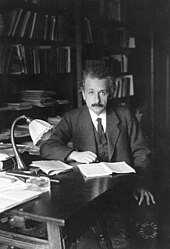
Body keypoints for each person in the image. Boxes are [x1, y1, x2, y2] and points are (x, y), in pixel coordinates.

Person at [40, 64, 156, 247]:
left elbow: (141, 152)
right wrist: (73, 154)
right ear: (83, 94)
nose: (96, 99)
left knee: (130, 237)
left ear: (110, 93)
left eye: (102, 92)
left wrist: (139, 183)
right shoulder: (73, 117)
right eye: (91, 92)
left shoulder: (124, 115)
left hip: (123, 188)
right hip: (87, 194)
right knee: (85, 240)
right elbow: (47, 147)